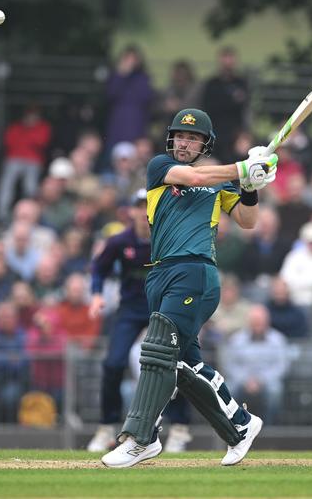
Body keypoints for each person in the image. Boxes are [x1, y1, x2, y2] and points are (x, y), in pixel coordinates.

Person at [101, 108, 277, 468]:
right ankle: (240, 426)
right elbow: (194, 177)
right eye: (180, 135)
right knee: (183, 363)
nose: (184, 142)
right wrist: (243, 168)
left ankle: (140, 437)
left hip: (195, 270)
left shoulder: (219, 181)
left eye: (192, 138)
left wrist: (251, 187)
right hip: (160, 273)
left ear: (204, 143)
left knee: (156, 350)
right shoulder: (160, 167)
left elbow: (247, 220)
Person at [86, 190, 191, 453]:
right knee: (113, 363)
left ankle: (179, 428)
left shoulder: (168, 239)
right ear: (130, 212)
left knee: (176, 364)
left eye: (149, 206)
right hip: (131, 309)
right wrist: (97, 295)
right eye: (139, 207)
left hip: (164, 308)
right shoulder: (120, 241)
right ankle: (107, 426)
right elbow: (99, 268)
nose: (144, 213)